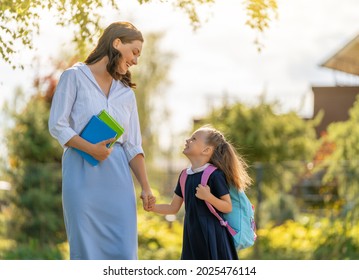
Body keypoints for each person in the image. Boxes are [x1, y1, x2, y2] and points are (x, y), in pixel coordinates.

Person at [48, 21, 155, 260]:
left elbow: (132, 145)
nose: (136, 61)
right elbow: (57, 124)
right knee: (86, 250)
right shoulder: (74, 77)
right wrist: (91, 149)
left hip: (118, 178)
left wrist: (146, 188)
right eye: (134, 52)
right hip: (81, 171)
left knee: (125, 253)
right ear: (117, 43)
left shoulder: (126, 93)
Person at [150, 125, 252, 260]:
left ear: (206, 150)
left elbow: (227, 206)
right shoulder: (184, 176)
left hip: (213, 238)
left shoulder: (215, 175)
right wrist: (152, 207)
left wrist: (208, 197)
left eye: (193, 139)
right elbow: (173, 207)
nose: (187, 140)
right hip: (192, 237)